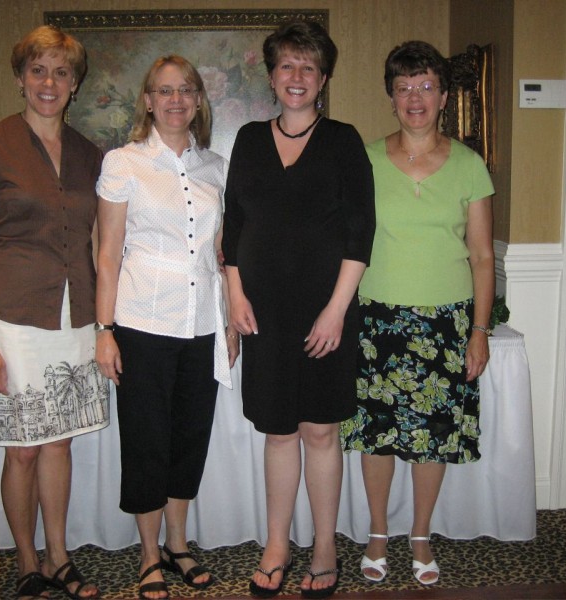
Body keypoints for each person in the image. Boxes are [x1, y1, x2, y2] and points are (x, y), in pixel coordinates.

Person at [222, 21, 375, 600]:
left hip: (325, 312)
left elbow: (360, 235)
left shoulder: (343, 140)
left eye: (308, 67)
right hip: (263, 315)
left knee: (319, 430)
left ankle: (326, 547)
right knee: (279, 431)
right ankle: (277, 545)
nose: (297, 77)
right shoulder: (248, 141)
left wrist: (336, 311)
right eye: (287, 65)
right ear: (271, 75)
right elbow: (233, 226)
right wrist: (235, 294)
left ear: (324, 79)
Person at [0, 25, 107, 600]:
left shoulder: (90, 154)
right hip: (14, 321)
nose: (50, 82)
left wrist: (103, 325)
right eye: (39, 70)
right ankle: (27, 560)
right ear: (21, 78)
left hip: (76, 318)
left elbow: (99, 245)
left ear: (74, 85)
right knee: (21, 448)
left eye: (62, 73)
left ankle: (61, 556)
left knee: (60, 443)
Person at [340, 40, 495, 587]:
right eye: (403, 87)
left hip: (446, 325)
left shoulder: (470, 166)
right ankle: (379, 533)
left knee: (433, 437)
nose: (415, 98)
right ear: (390, 97)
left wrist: (479, 332)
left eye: (426, 86)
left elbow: (481, 256)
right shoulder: (365, 159)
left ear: (444, 96)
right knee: (377, 436)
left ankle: (422, 534)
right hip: (376, 321)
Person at [94, 55, 239, 600]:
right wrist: (104, 327)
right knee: (147, 441)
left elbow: (223, 254)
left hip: (202, 322)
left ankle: (179, 544)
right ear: (148, 101)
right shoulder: (123, 163)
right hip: (142, 321)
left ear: (198, 100)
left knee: (189, 439)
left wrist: (228, 323)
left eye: (186, 90)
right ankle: (150, 553)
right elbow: (107, 254)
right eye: (164, 91)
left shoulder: (216, 169)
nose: (175, 100)